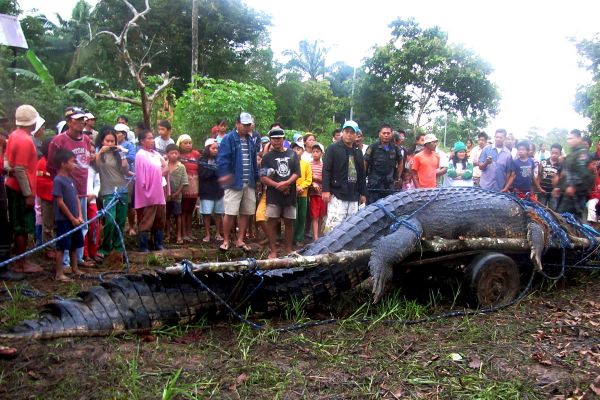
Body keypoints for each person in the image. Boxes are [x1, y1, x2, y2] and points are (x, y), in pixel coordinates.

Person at [48, 106, 95, 268]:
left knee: (82, 224)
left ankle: (79, 259)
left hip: (81, 187)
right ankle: (65, 263)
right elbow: (51, 165)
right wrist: (61, 182)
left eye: (83, 119)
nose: (82, 122)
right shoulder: (58, 141)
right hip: (65, 188)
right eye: (78, 120)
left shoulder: (86, 140)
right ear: (69, 122)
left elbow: (88, 161)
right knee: (67, 225)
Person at [4, 105, 43, 274]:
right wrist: (28, 194)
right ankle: (21, 262)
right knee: (21, 225)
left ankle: (20, 259)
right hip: (20, 188)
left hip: (13, 185)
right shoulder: (25, 140)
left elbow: (7, 161)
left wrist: (8, 170)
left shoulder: (13, 135)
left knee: (17, 223)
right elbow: (20, 169)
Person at [216, 112, 259, 252]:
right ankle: (226, 240)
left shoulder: (250, 140)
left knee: (246, 212)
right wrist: (224, 175)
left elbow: (253, 162)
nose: (247, 127)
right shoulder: (229, 139)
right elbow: (222, 160)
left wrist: (256, 178)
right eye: (244, 124)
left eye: (248, 125)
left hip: (249, 181)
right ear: (237, 124)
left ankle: (240, 240)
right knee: (230, 212)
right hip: (234, 182)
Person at [260, 128, 300, 258]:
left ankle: (288, 249)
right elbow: (263, 177)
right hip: (273, 194)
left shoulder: (293, 154)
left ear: (283, 139)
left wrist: (286, 183)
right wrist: (278, 185)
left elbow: (296, 173)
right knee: (272, 221)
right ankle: (273, 250)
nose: (276, 141)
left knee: (289, 221)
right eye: (274, 139)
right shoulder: (266, 157)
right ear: (270, 140)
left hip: (290, 193)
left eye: (279, 138)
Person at [322, 120, 367, 233]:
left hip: (353, 195)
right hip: (337, 194)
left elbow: (361, 174)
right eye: (347, 131)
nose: (349, 134)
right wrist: (326, 190)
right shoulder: (333, 148)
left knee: (351, 229)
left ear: (356, 135)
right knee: (333, 228)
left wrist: (363, 193)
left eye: (352, 132)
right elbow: (326, 170)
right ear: (342, 132)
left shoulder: (358, 152)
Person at [95, 127, 129, 261]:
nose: (110, 143)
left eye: (112, 141)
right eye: (107, 141)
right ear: (102, 141)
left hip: (122, 189)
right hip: (107, 190)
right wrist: (100, 153)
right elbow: (96, 166)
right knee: (110, 219)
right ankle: (105, 247)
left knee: (120, 220)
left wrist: (123, 154)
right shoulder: (99, 153)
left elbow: (125, 170)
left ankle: (119, 248)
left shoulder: (118, 153)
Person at [52, 149, 85, 282]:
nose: (74, 164)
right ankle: (59, 273)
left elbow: (76, 197)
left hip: (75, 219)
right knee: (62, 245)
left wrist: (80, 215)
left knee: (74, 244)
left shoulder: (70, 179)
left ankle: (74, 268)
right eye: (72, 162)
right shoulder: (58, 180)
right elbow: (60, 202)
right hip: (64, 219)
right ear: (63, 163)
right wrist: (71, 218)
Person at [135, 129, 167, 252]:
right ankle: (143, 245)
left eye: (152, 138)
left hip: (159, 190)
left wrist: (159, 175)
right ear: (142, 141)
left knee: (160, 217)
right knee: (147, 218)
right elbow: (141, 176)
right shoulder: (141, 155)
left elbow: (165, 167)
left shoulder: (155, 153)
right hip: (148, 191)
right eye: (149, 138)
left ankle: (158, 243)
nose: (152, 140)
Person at [555, 129, 595, 219]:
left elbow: (583, 172)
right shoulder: (572, 155)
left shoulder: (582, 154)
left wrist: (573, 186)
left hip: (576, 195)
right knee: (561, 218)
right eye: (568, 139)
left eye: (571, 138)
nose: (569, 141)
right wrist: (559, 187)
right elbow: (566, 173)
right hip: (567, 194)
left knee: (571, 221)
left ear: (579, 139)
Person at [364, 123, 404, 203]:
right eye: (384, 133)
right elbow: (365, 162)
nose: (386, 135)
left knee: (389, 208)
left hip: (389, 184)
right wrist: (363, 178)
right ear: (379, 134)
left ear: (391, 135)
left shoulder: (395, 148)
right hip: (374, 185)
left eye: (388, 133)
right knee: (373, 209)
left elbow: (401, 162)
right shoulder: (373, 147)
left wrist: (398, 177)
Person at [199, 138, 224, 242]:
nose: (215, 150)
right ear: (207, 148)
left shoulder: (220, 159)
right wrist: (212, 169)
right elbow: (203, 175)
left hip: (219, 190)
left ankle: (218, 233)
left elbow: (222, 173)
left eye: (217, 148)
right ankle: (207, 234)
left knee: (219, 213)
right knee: (207, 213)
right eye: (213, 148)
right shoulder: (202, 160)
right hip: (206, 190)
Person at [177, 134, 201, 241]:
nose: (188, 145)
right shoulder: (178, 155)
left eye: (189, 143)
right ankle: (183, 233)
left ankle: (189, 232)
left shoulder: (196, 154)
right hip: (184, 185)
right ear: (180, 144)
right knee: (183, 210)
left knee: (190, 210)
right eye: (185, 143)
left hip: (194, 185)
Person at [36, 137, 56, 260]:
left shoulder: (56, 162)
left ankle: (55, 246)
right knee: (47, 224)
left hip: (57, 197)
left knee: (55, 224)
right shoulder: (42, 163)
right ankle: (48, 248)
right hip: (47, 197)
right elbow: (41, 182)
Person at [165, 143, 188, 244]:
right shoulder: (164, 165)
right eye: (171, 153)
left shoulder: (181, 167)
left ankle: (179, 235)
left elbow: (184, 182)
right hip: (166, 196)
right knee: (167, 215)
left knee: (178, 215)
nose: (174, 155)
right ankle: (168, 235)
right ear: (167, 154)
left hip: (177, 196)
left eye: (176, 153)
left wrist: (178, 192)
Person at [291, 140, 312, 246]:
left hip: (303, 193)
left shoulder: (306, 164)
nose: (296, 151)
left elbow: (309, 179)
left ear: (302, 151)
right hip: (292, 193)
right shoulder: (289, 162)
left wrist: (301, 187)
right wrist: (295, 187)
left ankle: (299, 238)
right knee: (293, 216)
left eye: (298, 149)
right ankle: (291, 237)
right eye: (294, 149)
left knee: (302, 216)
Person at [308, 143, 326, 241]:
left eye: (317, 151)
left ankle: (318, 235)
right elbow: (306, 177)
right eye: (313, 151)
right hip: (313, 195)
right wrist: (312, 182)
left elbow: (326, 179)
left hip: (322, 194)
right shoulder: (309, 165)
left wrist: (316, 178)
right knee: (315, 216)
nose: (315, 153)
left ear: (322, 153)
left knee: (321, 216)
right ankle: (315, 237)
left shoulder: (324, 165)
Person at [539, 144, 563, 208]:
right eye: (552, 153)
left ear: (560, 153)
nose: (554, 155)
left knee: (553, 211)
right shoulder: (543, 162)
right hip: (543, 191)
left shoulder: (561, 165)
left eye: (556, 153)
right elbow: (539, 175)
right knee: (540, 210)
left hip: (553, 193)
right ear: (550, 152)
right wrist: (539, 188)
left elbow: (562, 178)